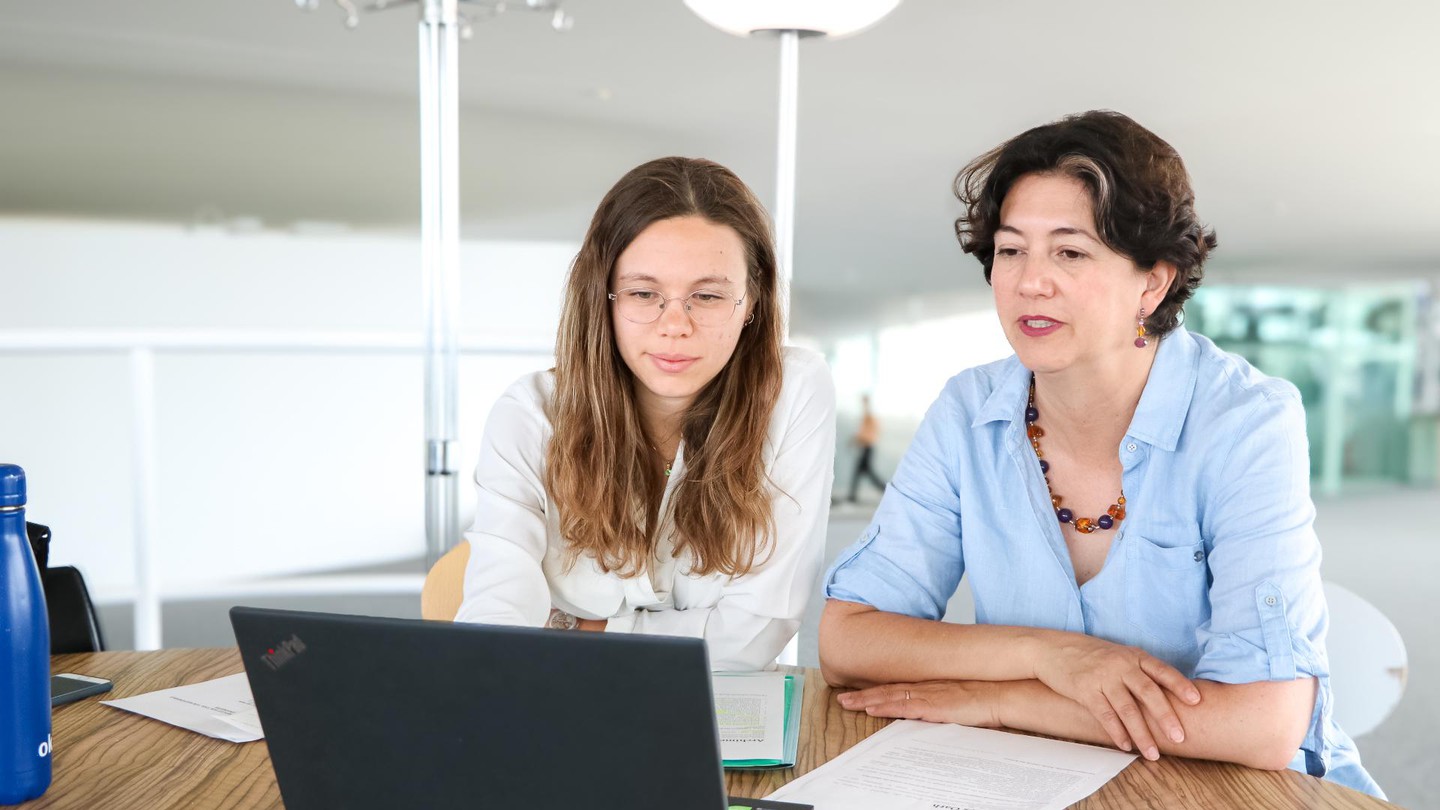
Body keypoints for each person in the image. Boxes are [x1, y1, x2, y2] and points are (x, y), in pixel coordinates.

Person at [818, 111, 1382, 797]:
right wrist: (1048, 655)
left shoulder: (1246, 422)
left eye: (1070, 252)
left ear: (1153, 283)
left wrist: (1005, 700)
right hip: (1042, 781)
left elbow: (1263, 725)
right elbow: (848, 641)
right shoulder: (968, 411)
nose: (1030, 282)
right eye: (1010, 250)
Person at [456, 156, 836, 671]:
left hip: (714, 710)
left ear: (752, 303)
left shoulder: (794, 391)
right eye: (643, 293)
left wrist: (581, 630)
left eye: (706, 296)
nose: (674, 325)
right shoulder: (530, 415)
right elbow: (496, 618)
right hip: (555, 693)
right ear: (604, 298)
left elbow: (755, 635)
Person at [847, 394, 886, 502]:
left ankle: (852, 496)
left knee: (867, 473)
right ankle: (852, 496)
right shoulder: (868, 417)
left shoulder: (868, 417)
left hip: (867, 447)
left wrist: (854, 440)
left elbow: (865, 434)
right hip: (866, 448)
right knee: (862, 472)